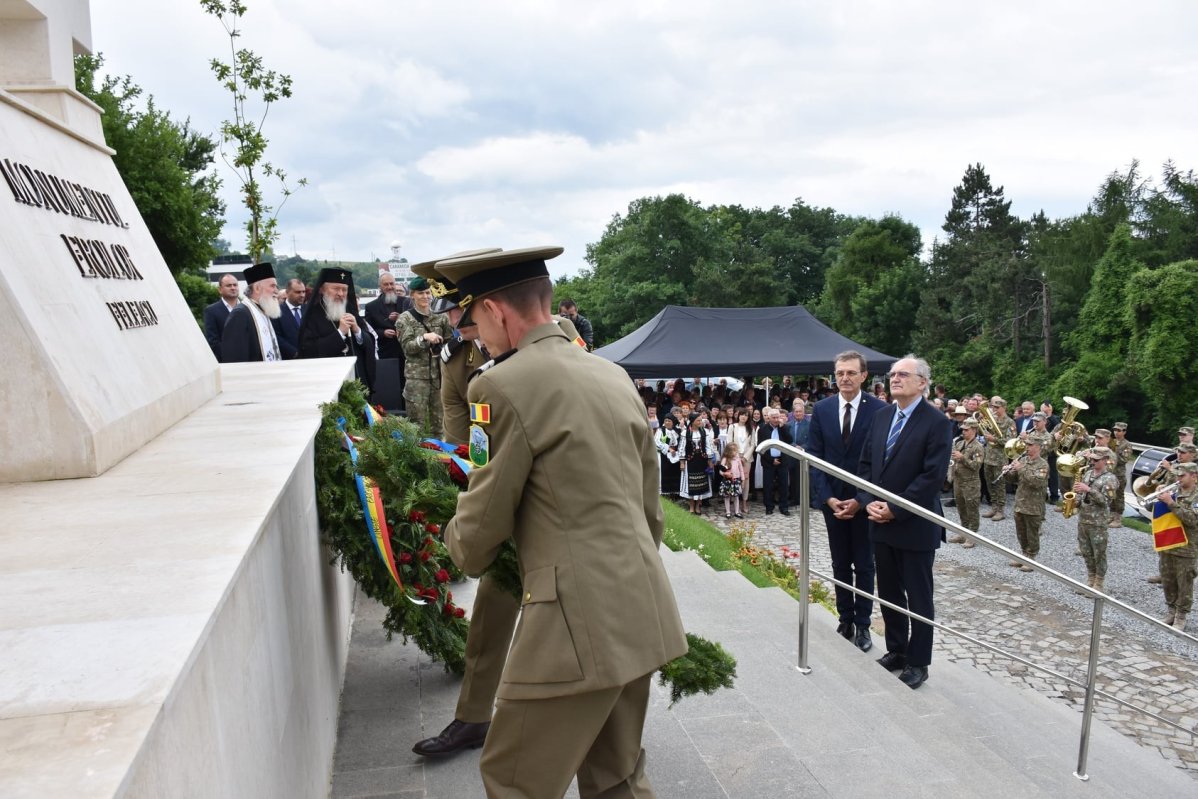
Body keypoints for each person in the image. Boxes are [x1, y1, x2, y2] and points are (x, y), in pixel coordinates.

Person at [437, 246, 687, 797]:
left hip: (572, 625)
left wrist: (447, 540)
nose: (476, 335)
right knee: (617, 778)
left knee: (514, 780)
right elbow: (651, 509)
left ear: (498, 310)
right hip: (641, 604)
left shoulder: (496, 385)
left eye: (475, 319)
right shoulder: (613, 374)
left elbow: (480, 528)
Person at [855, 355, 952, 690]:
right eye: (892, 374)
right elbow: (865, 466)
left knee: (919, 596)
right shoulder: (882, 417)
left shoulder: (936, 422)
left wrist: (895, 508)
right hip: (880, 522)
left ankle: (918, 661)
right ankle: (896, 650)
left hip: (914, 523)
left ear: (922, 382)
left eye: (902, 374)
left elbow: (932, 476)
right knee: (890, 591)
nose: (894, 379)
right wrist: (869, 502)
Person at [806, 351, 884, 650]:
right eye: (840, 373)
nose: (845, 378)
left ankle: (864, 625)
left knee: (864, 565)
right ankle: (845, 617)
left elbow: (880, 461)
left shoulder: (878, 410)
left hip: (864, 502)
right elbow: (813, 457)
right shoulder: (822, 410)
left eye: (851, 373)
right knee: (840, 562)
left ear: (863, 376)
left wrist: (862, 500)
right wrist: (827, 498)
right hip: (833, 502)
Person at [297, 268, 377, 389]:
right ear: (322, 290)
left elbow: (370, 342)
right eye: (335, 289)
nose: (340, 293)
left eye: (344, 289)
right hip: (328, 381)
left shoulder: (350, 310)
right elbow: (309, 349)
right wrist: (340, 333)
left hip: (357, 379)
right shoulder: (312, 315)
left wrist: (357, 331)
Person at [396, 276, 454, 435]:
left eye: (428, 293)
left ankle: (442, 457)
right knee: (416, 426)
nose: (426, 297)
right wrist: (423, 339)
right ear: (412, 295)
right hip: (416, 379)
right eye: (421, 293)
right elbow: (407, 348)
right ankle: (418, 457)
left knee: (440, 424)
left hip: (439, 378)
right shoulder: (405, 319)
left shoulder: (441, 317)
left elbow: (450, 343)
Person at [1156, 461, 1198, 631]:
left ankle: (1181, 615)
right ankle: (1171, 610)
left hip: (1187, 547)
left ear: (1194, 476)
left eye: (1182, 476)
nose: (1178, 479)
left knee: (1184, 583)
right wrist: (1160, 496)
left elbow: (1192, 520)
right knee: (1168, 580)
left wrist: (1170, 503)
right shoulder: (1173, 491)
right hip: (1168, 544)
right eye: (1177, 475)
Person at [1073, 446, 1119, 591]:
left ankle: (1099, 581)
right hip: (1084, 519)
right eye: (1092, 459)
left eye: (1096, 460)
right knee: (1086, 551)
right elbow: (1081, 495)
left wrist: (1088, 489)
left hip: (1098, 522)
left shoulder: (1110, 479)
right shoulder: (1087, 474)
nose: (1093, 462)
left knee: (1099, 553)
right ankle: (1090, 578)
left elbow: (1106, 501)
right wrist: (1076, 498)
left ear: (1105, 460)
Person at [219, 262, 282, 363]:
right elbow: (235, 359)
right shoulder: (240, 314)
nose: (276, 291)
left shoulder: (263, 311)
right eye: (272, 286)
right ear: (257, 288)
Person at [1010, 434, 1050, 571]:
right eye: (1026, 445)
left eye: (1030, 445)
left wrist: (1020, 469)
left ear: (1038, 447)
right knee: (1021, 531)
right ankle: (1023, 554)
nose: (1027, 447)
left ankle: (1031, 557)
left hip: (1033, 504)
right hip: (1020, 502)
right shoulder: (1024, 460)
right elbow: (1014, 479)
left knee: (1032, 532)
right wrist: (1008, 471)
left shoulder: (1043, 465)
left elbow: (1036, 482)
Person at [947, 416, 985, 547]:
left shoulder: (978, 447)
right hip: (958, 481)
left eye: (967, 430)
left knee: (971, 509)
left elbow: (976, 466)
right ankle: (963, 532)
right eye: (963, 429)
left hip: (971, 483)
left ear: (974, 430)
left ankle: (972, 536)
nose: (963, 432)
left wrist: (962, 458)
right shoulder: (960, 443)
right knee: (961, 508)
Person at [981, 397, 1016, 521]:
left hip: (1000, 458)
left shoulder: (1009, 422)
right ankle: (994, 507)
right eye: (993, 407)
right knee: (989, 482)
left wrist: (993, 439)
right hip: (988, 456)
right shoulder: (992, 419)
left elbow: (1011, 441)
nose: (994, 409)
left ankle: (1000, 510)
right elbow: (984, 434)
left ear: (1004, 408)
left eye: (997, 407)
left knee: (999, 484)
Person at [362, 271, 411, 361]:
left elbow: (415, 323)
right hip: (385, 353)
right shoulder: (371, 306)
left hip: (407, 352)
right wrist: (383, 333)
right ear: (380, 287)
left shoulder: (406, 301)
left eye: (391, 284)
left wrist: (401, 318)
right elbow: (367, 331)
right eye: (386, 284)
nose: (389, 287)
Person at [759, 407, 794, 515]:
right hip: (769, 461)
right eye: (773, 418)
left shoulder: (785, 427)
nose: (776, 420)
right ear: (768, 418)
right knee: (768, 485)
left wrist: (782, 427)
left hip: (782, 460)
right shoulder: (762, 430)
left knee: (783, 485)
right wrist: (771, 460)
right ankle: (769, 507)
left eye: (777, 417)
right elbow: (761, 448)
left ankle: (784, 507)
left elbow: (789, 440)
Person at [681, 413, 716, 514]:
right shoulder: (685, 433)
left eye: (701, 420)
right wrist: (682, 462)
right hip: (691, 460)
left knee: (701, 484)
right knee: (692, 484)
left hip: (702, 460)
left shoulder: (704, 432)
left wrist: (710, 461)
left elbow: (708, 447)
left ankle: (698, 506)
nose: (700, 422)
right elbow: (682, 448)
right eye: (698, 420)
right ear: (692, 421)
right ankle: (691, 505)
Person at [203, 273, 240, 360]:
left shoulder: (247, 308)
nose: (233, 288)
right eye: (228, 285)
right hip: (226, 362)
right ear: (220, 289)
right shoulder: (211, 311)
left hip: (249, 361)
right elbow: (213, 341)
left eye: (235, 285)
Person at [271, 278, 306, 359]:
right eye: (298, 292)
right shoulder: (276, 311)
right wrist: (294, 353)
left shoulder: (308, 310)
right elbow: (276, 336)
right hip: (288, 360)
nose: (302, 295)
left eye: (303, 292)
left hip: (309, 358)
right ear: (287, 293)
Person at [787, 399, 811, 505]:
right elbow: (787, 439)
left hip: (804, 454)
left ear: (804, 412)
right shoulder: (788, 425)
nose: (798, 414)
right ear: (793, 413)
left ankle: (805, 499)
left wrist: (802, 448)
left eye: (800, 411)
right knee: (793, 478)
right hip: (792, 454)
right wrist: (794, 446)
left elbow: (812, 439)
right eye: (796, 412)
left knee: (805, 478)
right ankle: (794, 499)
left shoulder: (809, 424)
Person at [1111, 422, 1134, 525]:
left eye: (1119, 430)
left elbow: (1124, 459)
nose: (1116, 432)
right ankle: (1111, 516)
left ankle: (1118, 518)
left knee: (1118, 496)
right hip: (1110, 472)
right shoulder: (1112, 441)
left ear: (1124, 432)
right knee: (1110, 494)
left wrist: (1112, 454)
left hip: (1119, 474)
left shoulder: (1127, 444)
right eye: (1115, 430)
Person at [718, 442, 744, 519]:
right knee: (727, 496)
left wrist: (742, 479)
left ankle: (737, 512)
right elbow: (720, 470)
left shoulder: (738, 459)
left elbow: (741, 470)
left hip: (736, 480)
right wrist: (725, 474)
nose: (736, 452)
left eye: (736, 451)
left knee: (736, 496)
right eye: (734, 451)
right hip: (727, 481)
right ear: (729, 452)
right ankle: (728, 512)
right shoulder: (725, 459)